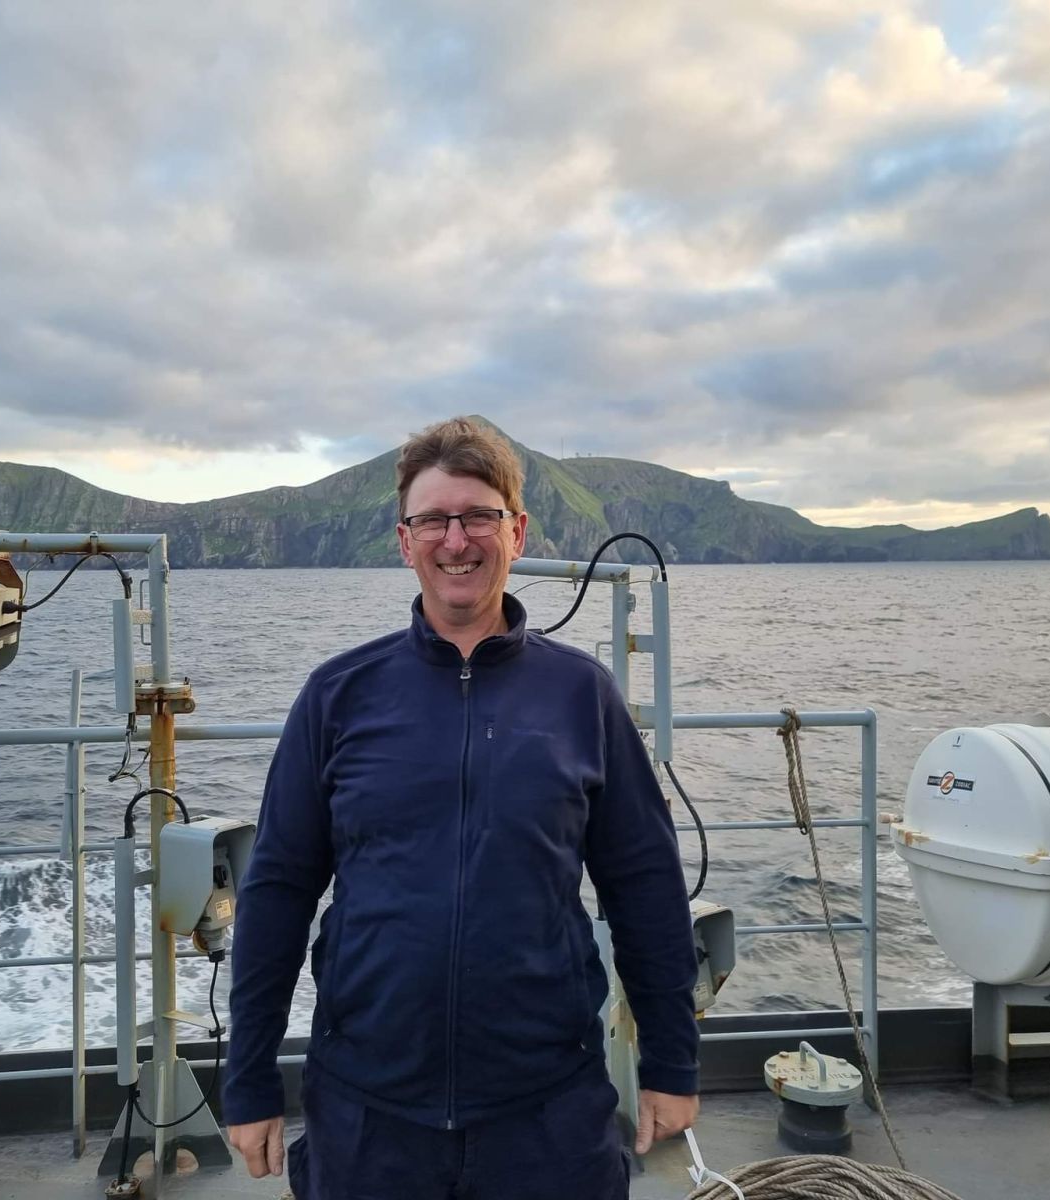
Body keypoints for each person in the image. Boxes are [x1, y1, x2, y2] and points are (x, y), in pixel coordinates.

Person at [223, 416, 699, 1199]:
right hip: (368, 1109)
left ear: (515, 530)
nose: (457, 540)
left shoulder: (582, 695)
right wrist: (247, 1080)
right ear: (404, 541)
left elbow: (644, 885)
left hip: (546, 1108)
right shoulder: (339, 695)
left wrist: (672, 1065)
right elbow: (277, 890)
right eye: (433, 520)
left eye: (477, 516)